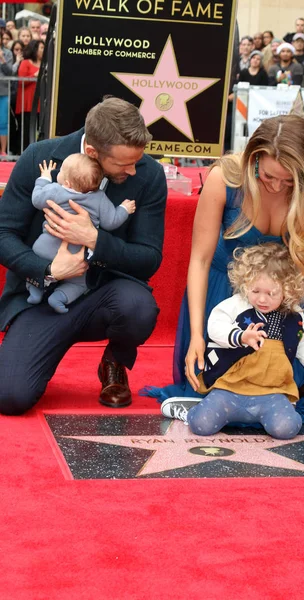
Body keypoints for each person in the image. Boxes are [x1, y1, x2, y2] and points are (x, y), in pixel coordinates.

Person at [142, 114, 304, 424]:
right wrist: (198, 335)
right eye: (269, 176)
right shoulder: (225, 179)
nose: (278, 186)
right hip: (222, 305)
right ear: (255, 156)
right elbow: (199, 261)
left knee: (301, 396)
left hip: (282, 308)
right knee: (211, 390)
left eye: (290, 180)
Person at [0, 96, 168, 415]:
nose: (134, 170)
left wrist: (94, 239)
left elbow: (149, 258)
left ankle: (115, 361)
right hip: (43, 294)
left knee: (139, 308)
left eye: (137, 160)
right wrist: (48, 268)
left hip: (105, 294)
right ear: (91, 151)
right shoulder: (40, 157)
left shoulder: (149, 174)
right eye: (123, 164)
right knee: (10, 397)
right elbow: (3, 233)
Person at [161, 243, 304, 439]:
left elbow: (303, 345)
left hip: (272, 392)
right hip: (229, 389)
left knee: (287, 429)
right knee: (202, 425)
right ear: (245, 285)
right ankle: (191, 410)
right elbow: (214, 328)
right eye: (255, 291)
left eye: (271, 293)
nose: (262, 299)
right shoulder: (235, 304)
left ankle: (278, 410)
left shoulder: (294, 316)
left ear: (288, 290)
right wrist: (241, 336)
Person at [27, 155, 136, 313]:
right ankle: (60, 297)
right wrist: (124, 209)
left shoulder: (56, 190)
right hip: (78, 256)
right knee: (79, 283)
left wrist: (43, 179)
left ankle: (35, 289)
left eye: (61, 171)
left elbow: (37, 199)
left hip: (44, 247)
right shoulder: (99, 198)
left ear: (67, 182)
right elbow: (111, 222)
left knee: (38, 269)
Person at [15, 39, 44, 152]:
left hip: (40, 103)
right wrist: (34, 75)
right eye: (41, 48)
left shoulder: (46, 64)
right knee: (26, 130)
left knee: (39, 130)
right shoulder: (25, 62)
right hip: (27, 103)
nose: (43, 50)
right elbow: (22, 81)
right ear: (35, 49)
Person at [0, 19, 13, 156]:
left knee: (3, 122)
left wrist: (2, 60)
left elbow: (10, 72)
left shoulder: (8, 53)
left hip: (3, 91)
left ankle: (3, 151)